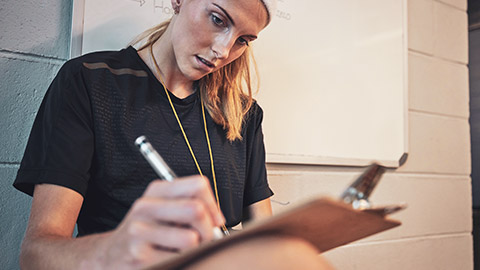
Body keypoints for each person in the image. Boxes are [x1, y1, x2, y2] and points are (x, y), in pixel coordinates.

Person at [13, 0, 334, 269]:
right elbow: (36, 255)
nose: (224, 50)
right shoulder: (91, 83)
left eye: (243, 40)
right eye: (217, 19)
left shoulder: (244, 114)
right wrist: (116, 249)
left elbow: (264, 238)